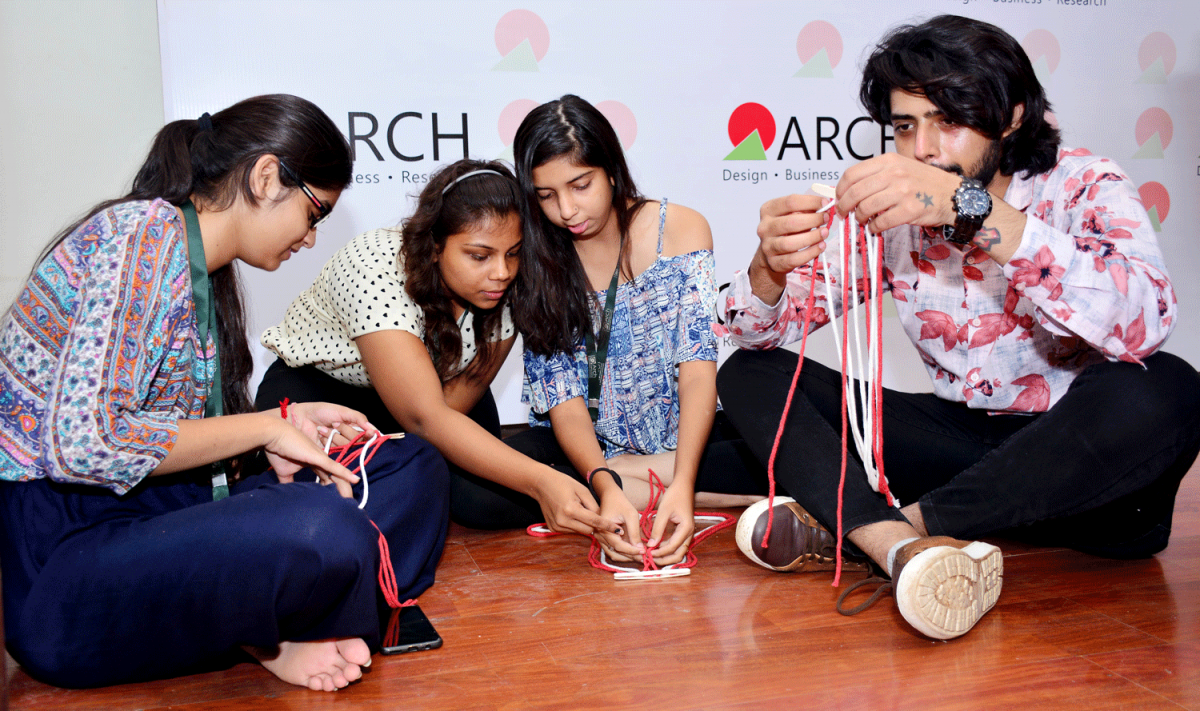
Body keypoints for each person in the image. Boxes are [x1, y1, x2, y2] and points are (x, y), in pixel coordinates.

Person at [718, 15, 1200, 640]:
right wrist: (768, 270)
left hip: (1085, 476)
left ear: (1011, 118)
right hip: (959, 449)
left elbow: (1143, 322)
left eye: (949, 122)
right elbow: (759, 334)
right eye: (906, 126)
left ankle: (887, 528)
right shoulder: (895, 214)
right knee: (751, 375)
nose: (922, 150)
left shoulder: (1083, 183)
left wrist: (969, 212)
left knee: (1169, 386)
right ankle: (890, 541)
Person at [0, 95, 450, 691]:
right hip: (68, 554)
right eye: (314, 214)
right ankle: (273, 634)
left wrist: (282, 425)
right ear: (266, 177)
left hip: (164, 509)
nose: (310, 239)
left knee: (410, 466)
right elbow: (85, 444)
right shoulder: (138, 241)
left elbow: (176, 442)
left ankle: (287, 617)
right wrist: (264, 427)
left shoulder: (199, 264)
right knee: (324, 527)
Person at [256, 159, 619, 541]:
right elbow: (424, 420)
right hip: (323, 391)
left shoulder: (513, 281)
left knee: (476, 500)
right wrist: (540, 480)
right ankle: (607, 476)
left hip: (437, 399)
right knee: (330, 504)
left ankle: (615, 476)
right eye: (479, 256)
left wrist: (416, 449)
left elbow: (446, 409)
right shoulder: (375, 264)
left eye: (512, 252)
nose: (502, 272)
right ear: (433, 247)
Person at [510, 95, 766, 567]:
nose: (566, 209)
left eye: (580, 185)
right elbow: (563, 401)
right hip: (584, 447)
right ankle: (699, 492)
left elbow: (696, 371)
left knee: (772, 446)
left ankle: (670, 484)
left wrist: (684, 485)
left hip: (684, 444)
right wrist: (605, 483)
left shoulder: (681, 229)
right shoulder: (534, 256)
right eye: (546, 196)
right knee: (479, 490)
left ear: (610, 168)